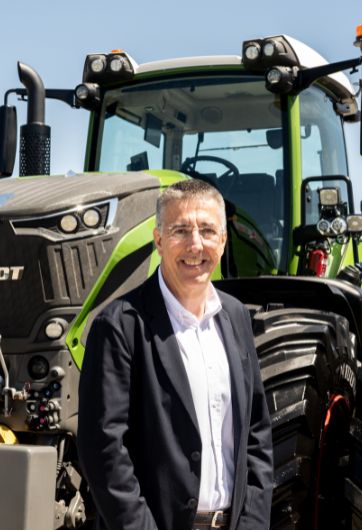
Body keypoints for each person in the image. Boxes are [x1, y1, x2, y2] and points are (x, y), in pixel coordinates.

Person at [77, 179, 273, 530]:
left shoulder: (237, 317)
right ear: (159, 240)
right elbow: (104, 450)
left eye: (208, 231)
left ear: (223, 240)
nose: (195, 245)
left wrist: (253, 523)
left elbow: (256, 434)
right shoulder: (120, 326)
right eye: (181, 230)